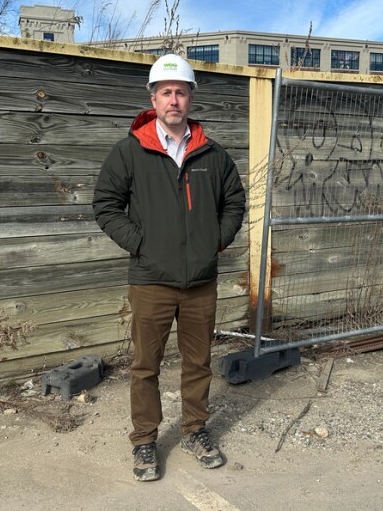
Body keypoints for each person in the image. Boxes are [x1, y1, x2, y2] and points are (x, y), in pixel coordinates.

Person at [93, 53, 246, 482]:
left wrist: (216, 240)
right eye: (166, 92)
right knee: (146, 365)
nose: (173, 100)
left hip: (200, 281)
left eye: (180, 91)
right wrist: (141, 244)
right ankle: (145, 440)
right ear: (153, 98)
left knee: (198, 363)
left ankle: (195, 429)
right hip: (151, 281)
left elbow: (235, 202)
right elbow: (106, 206)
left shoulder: (213, 155)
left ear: (190, 97)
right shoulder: (130, 151)